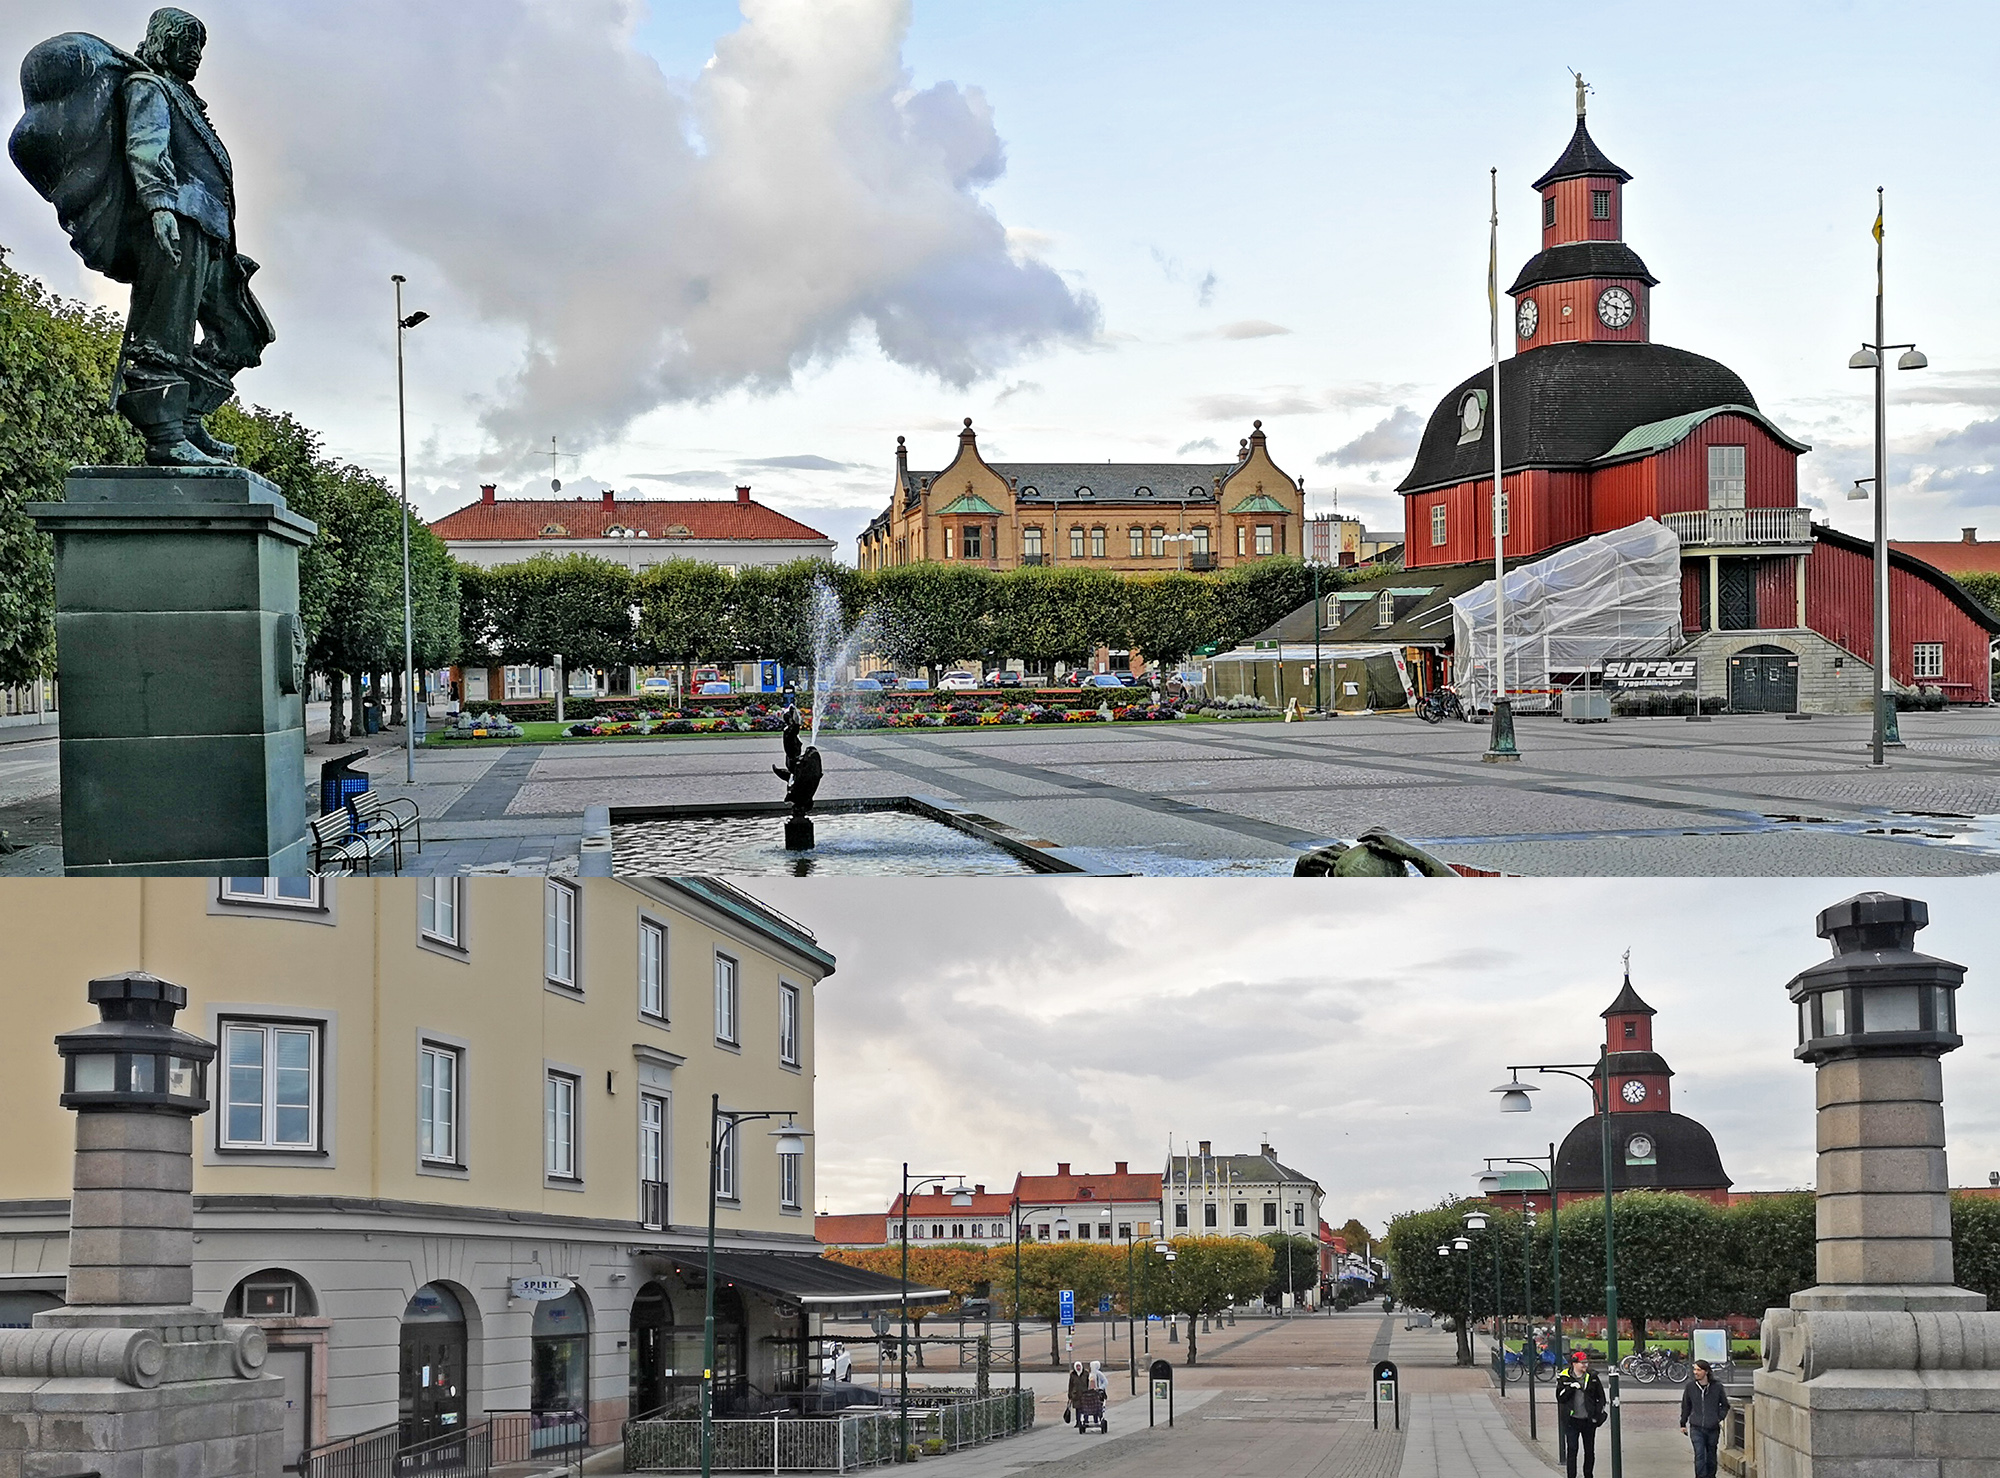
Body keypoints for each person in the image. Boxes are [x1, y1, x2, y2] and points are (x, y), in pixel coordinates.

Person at [1554, 1348, 1607, 1478]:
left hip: (1588, 1421)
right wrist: (1570, 1388)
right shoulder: (1565, 1377)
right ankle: (1571, 1475)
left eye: (1586, 1362)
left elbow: (1601, 1397)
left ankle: (1588, 1475)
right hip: (1571, 1420)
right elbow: (1560, 1398)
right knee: (1572, 1449)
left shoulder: (1592, 1377)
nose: (1585, 1365)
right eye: (1582, 1363)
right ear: (1574, 1363)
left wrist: (1596, 1414)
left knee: (1589, 1451)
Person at [1679, 1359, 1730, 1478]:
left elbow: (1725, 1405)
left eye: (1699, 1370)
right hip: (1696, 1427)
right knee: (1700, 1454)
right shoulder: (1690, 1387)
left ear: (1706, 1371)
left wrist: (1718, 1418)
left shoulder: (1717, 1387)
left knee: (1711, 1454)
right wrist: (1683, 1423)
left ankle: (1711, 1475)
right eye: (1694, 1369)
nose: (1695, 1372)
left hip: (1712, 1427)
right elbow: (1686, 1405)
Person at [1066, 1361, 1089, 1425]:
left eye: (1079, 1366)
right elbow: (1070, 1385)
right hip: (1076, 1394)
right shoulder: (1073, 1375)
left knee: (1085, 1408)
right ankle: (1078, 1422)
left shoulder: (1086, 1373)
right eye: (1077, 1366)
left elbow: (1088, 1383)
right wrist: (1070, 1395)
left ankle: (1086, 1421)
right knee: (1078, 1409)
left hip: (1084, 1393)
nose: (1078, 1367)